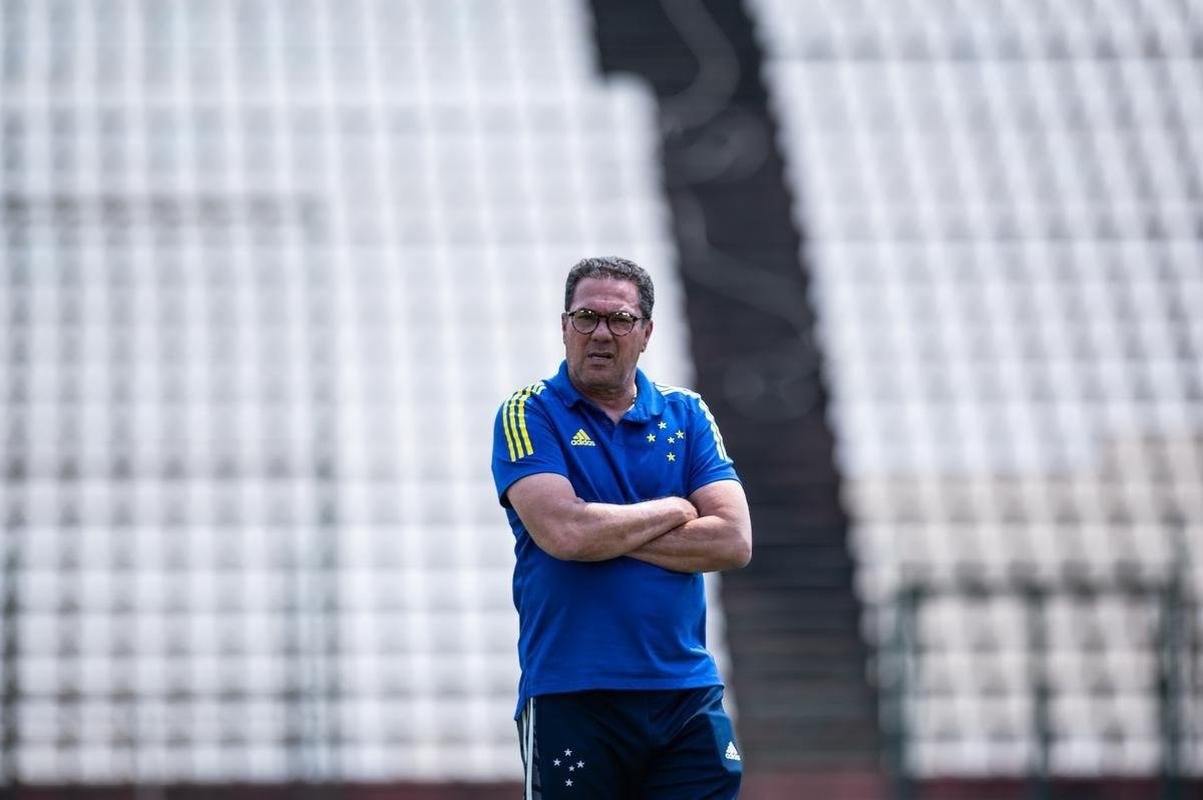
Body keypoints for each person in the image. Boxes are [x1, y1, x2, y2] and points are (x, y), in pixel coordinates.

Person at [491, 256, 753, 799]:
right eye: (586, 317)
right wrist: (677, 508)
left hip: (685, 692)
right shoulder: (528, 412)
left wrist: (601, 533)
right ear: (564, 326)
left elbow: (732, 540)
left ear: (647, 332)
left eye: (620, 320)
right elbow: (566, 534)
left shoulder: (688, 414)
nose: (601, 333)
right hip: (573, 692)